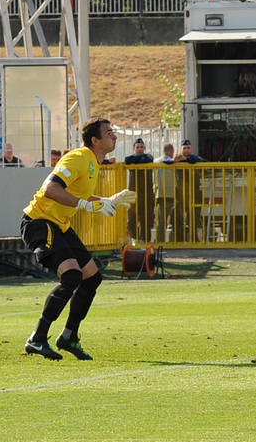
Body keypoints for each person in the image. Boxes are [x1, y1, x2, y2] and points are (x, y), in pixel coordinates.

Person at [19, 118, 136, 360]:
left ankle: (69, 336)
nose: (114, 136)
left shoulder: (93, 162)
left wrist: (105, 201)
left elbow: (76, 192)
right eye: (109, 132)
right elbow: (51, 189)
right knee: (72, 276)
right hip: (40, 222)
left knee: (92, 278)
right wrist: (86, 206)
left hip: (60, 224)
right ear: (95, 140)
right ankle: (37, 339)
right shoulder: (78, 158)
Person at [173, 139, 205, 242]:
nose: (186, 150)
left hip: (194, 192)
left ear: (191, 149)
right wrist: (175, 160)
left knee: (194, 216)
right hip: (181, 193)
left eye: (188, 148)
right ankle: (180, 240)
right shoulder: (177, 159)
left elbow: (198, 160)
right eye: (184, 148)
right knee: (179, 216)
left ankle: (194, 238)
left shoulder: (195, 159)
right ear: (181, 149)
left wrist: (185, 159)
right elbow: (167, 161)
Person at [124, 137, 155, 242]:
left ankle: (145, 239)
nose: (140, 149)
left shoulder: (148, 157)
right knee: (132, 216)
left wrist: (138, 159)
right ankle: (134, 238)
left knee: (146, 216)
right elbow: (127, 160)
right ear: (134, 148)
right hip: (134, 191)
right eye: (137, 147)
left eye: (141, 147)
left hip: (146, 192)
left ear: (144, 148)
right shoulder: (131, 158)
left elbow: (149, 159)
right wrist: (139, 158)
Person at [154, 143, 177, 242]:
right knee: (175, 219)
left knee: (161, 221)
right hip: (172, 194)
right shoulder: (174, 162)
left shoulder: (156, 162)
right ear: (172, 151)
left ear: (163, 151)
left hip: (160, 194)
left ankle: (160, 241)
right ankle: (176, 240)